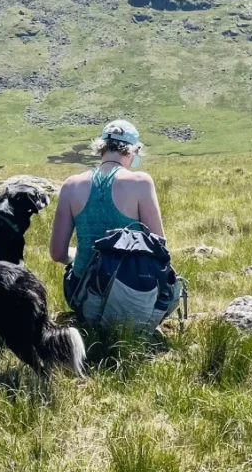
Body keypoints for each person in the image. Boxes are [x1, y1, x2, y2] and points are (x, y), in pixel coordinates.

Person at [50, 120, 178, 328]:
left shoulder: (71, 185)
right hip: (135, 300)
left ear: (102, 147)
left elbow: (57, 254)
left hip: (84, 299)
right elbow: (160, 248)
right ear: (133, 150)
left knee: (75, 270)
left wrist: (79, 255)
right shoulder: (140, 182)